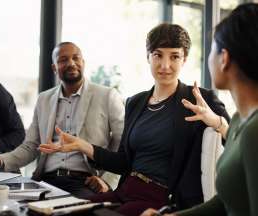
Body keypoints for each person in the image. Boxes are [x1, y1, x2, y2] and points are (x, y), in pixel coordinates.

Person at [39, 24, 230, 216]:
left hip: (162, 199)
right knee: (65, 211)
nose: (165, 65)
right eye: (157, 55)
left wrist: (216, 121)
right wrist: (82, 145)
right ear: (148, 57)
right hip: (127, 190)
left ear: (184, 59)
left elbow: (235, 138)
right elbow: (123, 162)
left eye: (174, 56)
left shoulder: (199, 99)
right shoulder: (136, 102)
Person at [141, 3, 258, 216]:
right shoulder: (240, 121)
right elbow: (225, 203)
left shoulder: (254, 132)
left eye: (212, 47)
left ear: (224, 59)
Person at [0, 42, 125, 198]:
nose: (71, 63)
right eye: (63, 60)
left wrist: (107, 180)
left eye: (76, 58)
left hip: (86, 181)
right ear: (54, 68)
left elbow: (123, 143)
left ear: (83, 63)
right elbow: (31, 146)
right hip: (46, 181)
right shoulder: (44, 99)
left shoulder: (107, 96)